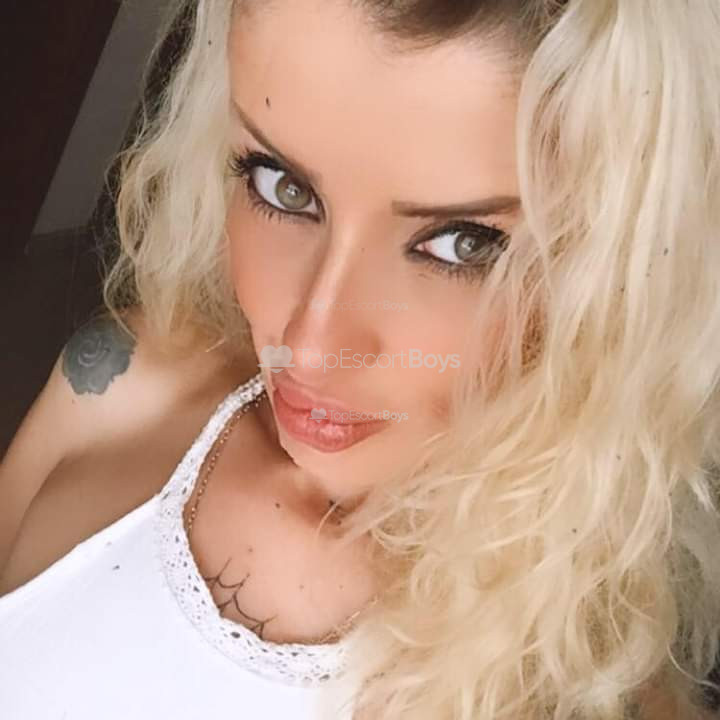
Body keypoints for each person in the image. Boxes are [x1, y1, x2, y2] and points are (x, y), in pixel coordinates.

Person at [1, 0, 720, 718]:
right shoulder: (116, 388)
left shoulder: (588, 691)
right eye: (281, 185)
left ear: (617, 275)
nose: (309, 347)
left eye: (463, 243)